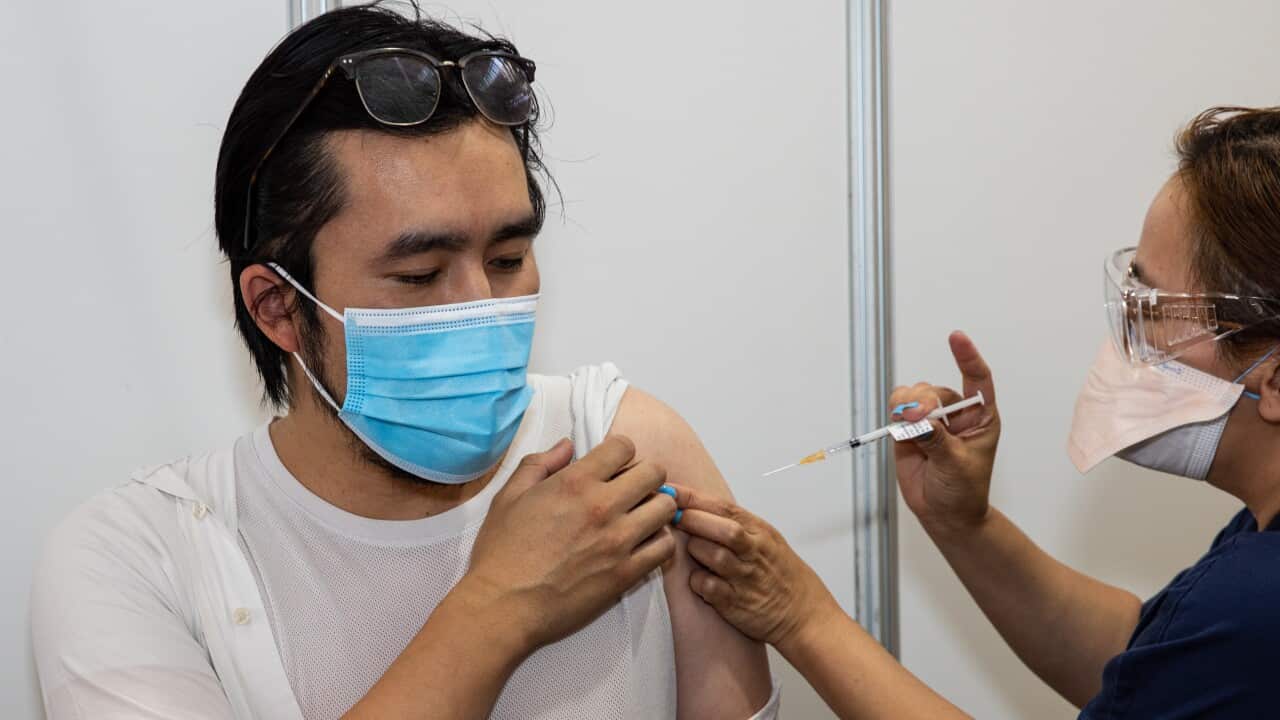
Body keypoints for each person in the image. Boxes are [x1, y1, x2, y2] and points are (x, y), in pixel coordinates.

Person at [29, 4, 779, 719]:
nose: (480, 306)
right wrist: (498, 607)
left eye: (510, 257)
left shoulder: (626, 458)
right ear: (277, 308)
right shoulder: (139, 559)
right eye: (420, 277)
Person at [668, 106, 1280, 719]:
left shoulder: (1257, 605)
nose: (1127, 336)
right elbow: (1153, 666)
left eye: (1153, 312)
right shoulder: (1250, 572)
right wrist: (963, 522)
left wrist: (802, 616)